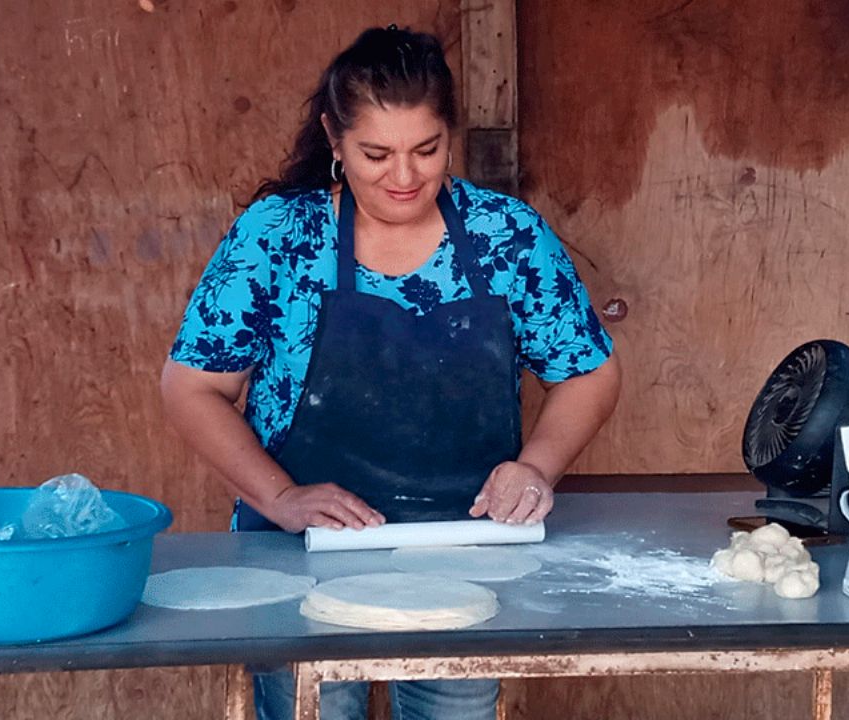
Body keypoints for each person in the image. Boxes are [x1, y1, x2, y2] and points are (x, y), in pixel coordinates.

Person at [161, 25, 621, 720]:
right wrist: (281, 498)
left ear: (449, 136)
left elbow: (587, 372)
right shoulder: (279, 237)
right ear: (335, 138)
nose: (404, 178)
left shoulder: (507, 235)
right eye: (376, 154)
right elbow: (193, 387)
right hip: (301, 551)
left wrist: (537, 468)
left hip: (465, 546)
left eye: (426, 150)